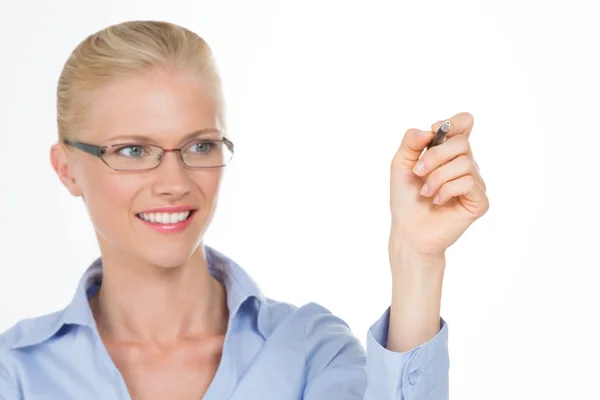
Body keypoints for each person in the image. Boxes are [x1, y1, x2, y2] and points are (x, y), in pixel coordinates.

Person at [0, 20, 489, 399]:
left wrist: (416, 259)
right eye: (132, 150)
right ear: (66, 169)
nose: (174, 183)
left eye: (199, 146)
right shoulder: (15, 373)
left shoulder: (309, 352)